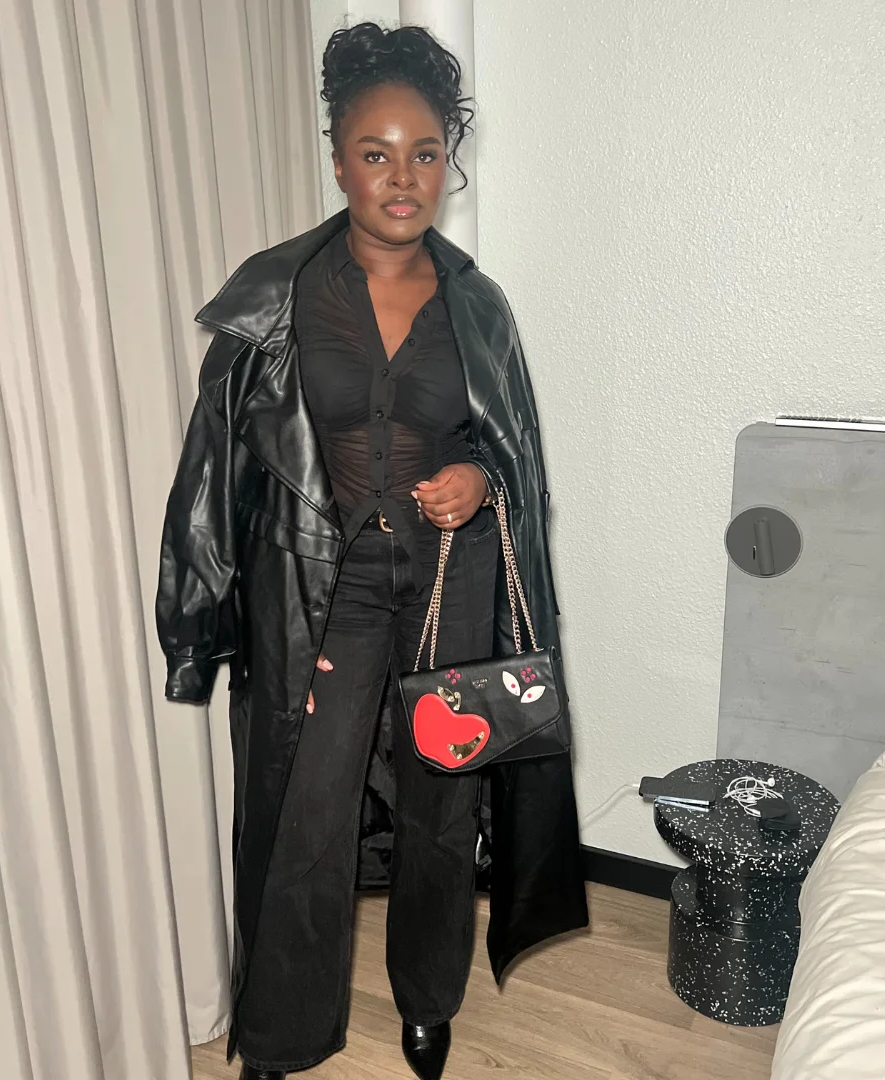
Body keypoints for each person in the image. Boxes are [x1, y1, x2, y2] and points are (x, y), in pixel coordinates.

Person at [156, 22, 587, 1080]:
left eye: (425, 152)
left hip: (451, 590)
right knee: (303, 812)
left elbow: (510, 454)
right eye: (376, 152)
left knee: (443, 808)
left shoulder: (480, 307)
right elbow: (211, 470)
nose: (403, 178)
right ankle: (279, 1033)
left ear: (449, 160)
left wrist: (478, 479)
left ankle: (429, 1001)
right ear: (339, 159)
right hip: (319, 589)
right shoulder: (276, 299)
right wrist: (194, 623)